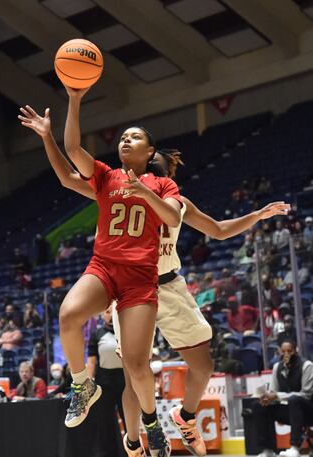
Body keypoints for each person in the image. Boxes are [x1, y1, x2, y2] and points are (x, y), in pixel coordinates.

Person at [18, 105, 289, 456]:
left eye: (143, 147)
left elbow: (219, 230)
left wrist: (256, 215)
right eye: (125, 140)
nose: (129, 146)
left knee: (200, 365)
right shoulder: (112, 186)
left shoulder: (171, 197)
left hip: (165, 283)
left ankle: (184, 418)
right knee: (134, 371)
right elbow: (70, 176)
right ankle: (135, 441)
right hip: (124, 281)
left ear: (154, 165)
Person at [23, 92, 184, 454]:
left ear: (149, 151)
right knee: (68, 315)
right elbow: (72, 154)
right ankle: (82, 386)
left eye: (135, 137)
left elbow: (172, 218)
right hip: (105, 267)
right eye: (123, 136)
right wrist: (73, 99)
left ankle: (151, 422)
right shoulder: (106, 177)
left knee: (138, 366)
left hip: (140, 278)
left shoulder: (163, 185)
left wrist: (144, 191)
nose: (126, 139)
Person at [253, 340, 313, 457]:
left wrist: (277, 396)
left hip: (308, 410)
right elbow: (274, 392)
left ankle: (295, 448)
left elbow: (307, 394)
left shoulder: (307, 366)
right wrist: (268, 398)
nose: (286, 354)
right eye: (283, 351)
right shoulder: (277, 367)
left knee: (295, 400)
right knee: (259, 406)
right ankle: (268, 450)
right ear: (279, 352)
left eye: (289, 351)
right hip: (291, 410)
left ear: (296, 351)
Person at [87, 304, 125, 457]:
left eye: (113, 312)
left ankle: (133, 452)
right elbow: (91, 362)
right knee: (106, 422)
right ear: (102, 314)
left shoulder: (124, 331)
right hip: (104, 382)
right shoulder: (96, 334)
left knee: (129, 420)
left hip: (125, 381)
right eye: (108, 312)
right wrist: (88, 384)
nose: (110, 315)